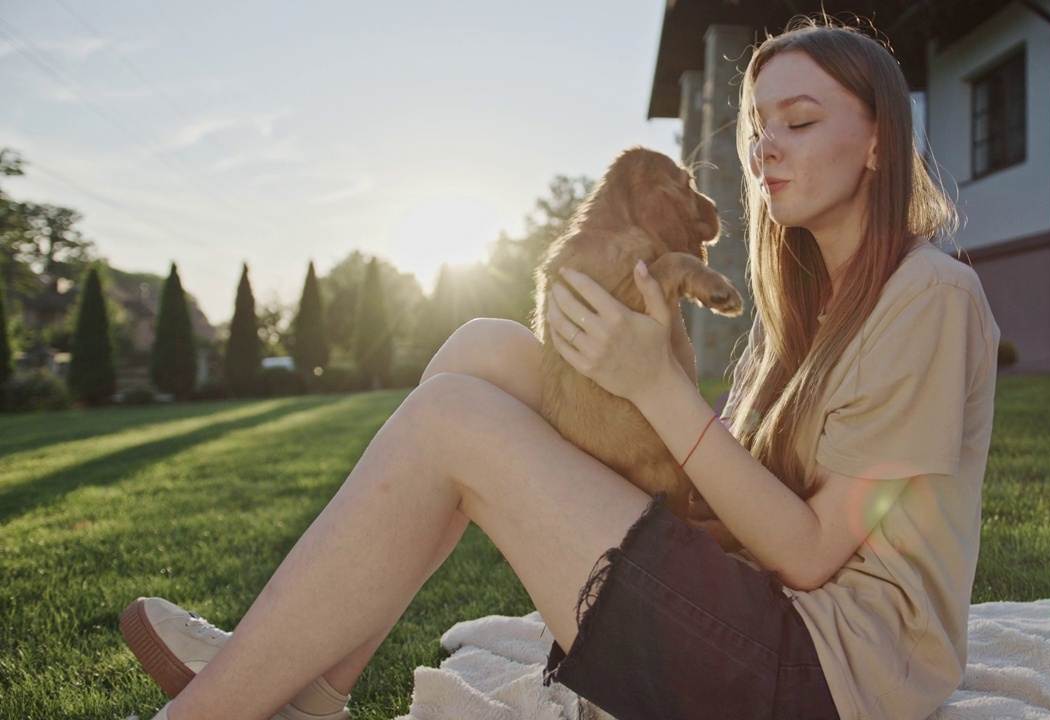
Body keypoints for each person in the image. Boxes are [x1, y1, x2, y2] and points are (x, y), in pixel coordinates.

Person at [121, 18, 998, 720]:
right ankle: (311, 691)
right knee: (482, 350)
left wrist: (654, 385)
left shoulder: (929, 298)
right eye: (759, 127)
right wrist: (628, 382)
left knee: (450, 421)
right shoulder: (809, 309)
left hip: (818, 677)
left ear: (881, 142)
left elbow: (809, 556)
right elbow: (749, 488)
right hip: (755, 604)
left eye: (800, 122)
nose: (766, 147)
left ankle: (212, 712)